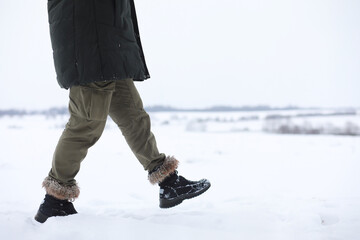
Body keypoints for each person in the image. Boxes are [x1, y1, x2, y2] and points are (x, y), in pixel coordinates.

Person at [34, 0, 210, 223]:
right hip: (88, 45)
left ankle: (168, 183)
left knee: (134, 116)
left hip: (109, 45)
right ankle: (54, 200)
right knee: (86, 124)